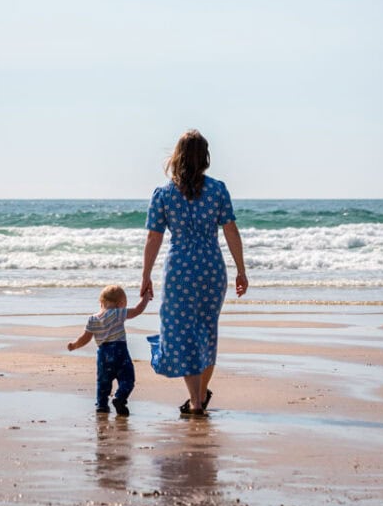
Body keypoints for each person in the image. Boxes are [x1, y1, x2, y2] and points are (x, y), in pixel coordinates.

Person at [140, 129, 248, 417]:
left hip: (179, 269)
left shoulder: (163, 194)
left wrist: (146, 275)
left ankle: (196, 401)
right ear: (205, 158)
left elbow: (154, 237)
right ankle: (199, 396)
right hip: (211, 268)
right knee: (207, 332)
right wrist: (240, 269)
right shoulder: (218, 189)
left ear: (177, 157)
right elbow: (231, 230)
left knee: (183, 334)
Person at [67, 283, 152, 416]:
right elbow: (137, 310)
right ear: (121, 303)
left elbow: (85, 338)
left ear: (101, 302)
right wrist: (145, 298)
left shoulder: (93, 319)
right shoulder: (118, 313)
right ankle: (120, 397)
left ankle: (101, 405)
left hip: (103, 355)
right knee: (127, 379)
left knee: (103, 382)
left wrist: (74, 345)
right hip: (120, 353)